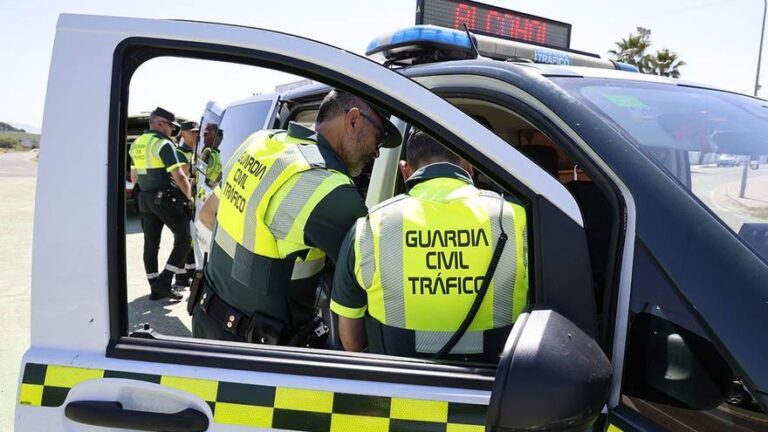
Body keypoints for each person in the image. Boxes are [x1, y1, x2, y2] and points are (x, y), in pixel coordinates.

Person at [192, 89, 401, 346]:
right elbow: (385, 288)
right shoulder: (331, 190)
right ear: (353, 121)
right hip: (260, 354)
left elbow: (208, 214)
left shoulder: (260, 143)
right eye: (377, 138)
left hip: (206, 322)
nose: (377, 153)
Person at [330, 131, 528, 362]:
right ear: (469, 167)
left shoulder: (369, 228)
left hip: (401, 391)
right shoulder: (517, 219)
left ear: (405, 171)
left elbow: (352, 342)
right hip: (498, 390)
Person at [129, 107, 194, 301]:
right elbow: (180, 176)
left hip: (144, 199)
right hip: (164, 199)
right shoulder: (164, 145)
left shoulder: (137, 144)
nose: (172, 131)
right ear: (159, 123)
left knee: (151, 244)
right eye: (171, 127)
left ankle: (155, 287)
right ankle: (165, 282)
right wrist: (189, 198)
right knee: (184, 240)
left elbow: (134, 178)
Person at [174, 120, 200, 288]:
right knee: (182, 238)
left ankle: (190, 272)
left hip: (194, 198)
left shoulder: (195, 151)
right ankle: (180, 276)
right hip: (183, 199)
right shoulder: (179, 152)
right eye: (192, 132)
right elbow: (183, 176)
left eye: (198, 132)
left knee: (191, 238)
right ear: (183, 133)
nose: (196, 135)